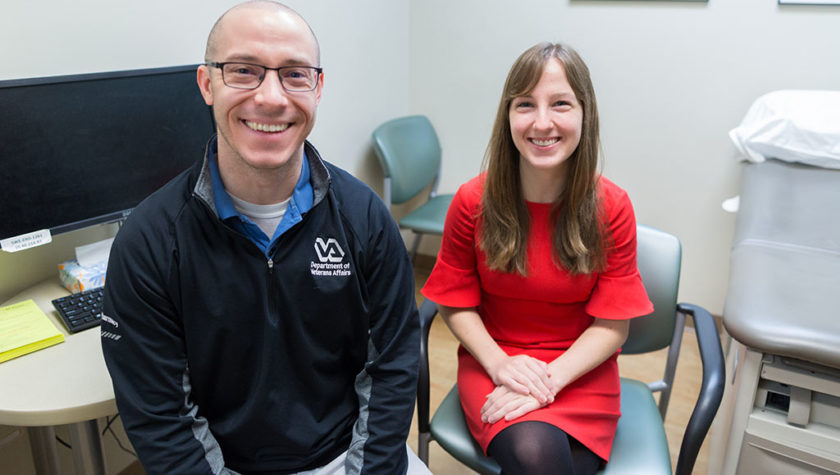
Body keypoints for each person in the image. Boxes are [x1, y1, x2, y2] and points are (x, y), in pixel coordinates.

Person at [100, 2, 428, 473]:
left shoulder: (365, 218)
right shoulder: (149, 243)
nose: (272, 97)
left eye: (294, 74)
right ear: (206, 84)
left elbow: (394, 369)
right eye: (244, 71)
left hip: (349, 458)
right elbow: (160, 418)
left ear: (318, 87)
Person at [421, 42, 654, 474]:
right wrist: (501, 365)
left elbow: (612, 326)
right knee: (536, 456)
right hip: (495, 361)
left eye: (560, 104)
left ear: (585, 114)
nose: (542, 122)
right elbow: (455, 303)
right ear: (507, 115)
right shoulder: (472, 202)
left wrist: (546, 383)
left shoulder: (612, 207)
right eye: (525, 104)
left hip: (580, 368)